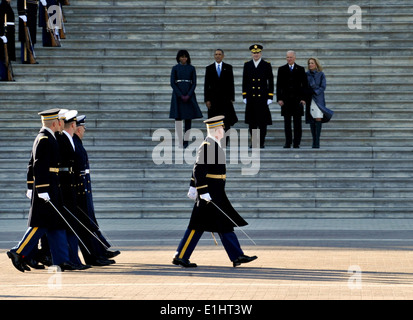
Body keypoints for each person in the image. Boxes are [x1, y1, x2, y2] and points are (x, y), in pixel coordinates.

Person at [173, 116, 257, 268]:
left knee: (224, 223)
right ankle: (181, 256)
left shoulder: (213, 144)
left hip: (216, 192)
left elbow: (197, 169)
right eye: (222, 129)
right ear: (217, 130)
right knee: (197, 226)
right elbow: (198, 169)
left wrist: (193, 186)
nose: (224, 131)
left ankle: (237, 255)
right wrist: (201, 191)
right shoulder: (207, 145)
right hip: (209, 193)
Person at [7, 108, 77, 272]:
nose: (62, 124)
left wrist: (31, 186)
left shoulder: (48, 137)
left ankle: (62, 259)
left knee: (56, 224)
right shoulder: (44, 139)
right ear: (55, 123)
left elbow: (32, 165)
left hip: (52, 186)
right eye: (60, 121)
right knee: (41, 224)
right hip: (47, 188)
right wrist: (39, 189)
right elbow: (38, 165)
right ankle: (17, 251)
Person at [73, 115, 120, 265]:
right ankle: (94, 256)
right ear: (78, 129)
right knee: (86, 225)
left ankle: (101, 251)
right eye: (84, 128)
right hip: (78, 190)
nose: (84, 131)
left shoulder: (76, 142)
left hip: (84, 189)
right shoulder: (73, 143)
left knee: (91, 222)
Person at [242, 44, 274, 148]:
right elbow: (245, 81)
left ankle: (261, 142)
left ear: (261, 53)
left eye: (258, 52)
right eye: (254, 53)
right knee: (252, 122)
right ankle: (254, 142)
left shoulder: (266, 65)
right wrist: (245, 95)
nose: (256, 54)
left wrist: (270, 96)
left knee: (262, 122)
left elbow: (271, 81)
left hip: (262, 97)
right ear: (251, 54)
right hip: (251, 97)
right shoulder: (247, 65)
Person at [169, 49, 202, 148]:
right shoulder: (175, 68)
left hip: (189, 94)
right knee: (178, 118)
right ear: (178, 58)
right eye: (182, 57)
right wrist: (180, 94)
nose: (184, 58)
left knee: (188, 118)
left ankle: (186, 140)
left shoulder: (191, 68)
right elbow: (172, 83)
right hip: (178, 95)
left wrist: (188, 94)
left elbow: (194, 82)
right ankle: (179, 140)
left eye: (185, 57)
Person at [276, 50, 308, 148]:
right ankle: (288, 142)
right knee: (287, 123)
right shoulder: (281, 69)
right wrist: (279, 98)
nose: (289, 59)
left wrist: (304, 99)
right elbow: (278, 85)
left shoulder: (301, 69)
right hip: (286, 100)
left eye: (291, 57)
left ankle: (296, 142)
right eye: (287, 57)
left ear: (294, 57)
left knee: (298, 123)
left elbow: (305, 85)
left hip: (297, 100)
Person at [204, 49, 238, 136]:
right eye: (216, 54)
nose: (218, 56)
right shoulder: (209, 68)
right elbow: (206, 85)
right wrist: (207, 99)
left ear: (223, 56)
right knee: (214, 121)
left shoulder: (228, 67)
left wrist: (232, 98)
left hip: (225, 100)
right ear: (214, 56)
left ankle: (225, 141)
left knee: (226, 121)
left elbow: (231, 84)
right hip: (213, 100)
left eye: (219, 54)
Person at [305, 57, 334, 148]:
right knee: (311, 119)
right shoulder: (306, 74)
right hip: (310, 99)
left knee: (318, 118)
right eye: (309, 63)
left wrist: (315, 92)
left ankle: (317, 141)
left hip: (318, 99)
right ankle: (314, 140)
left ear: (316, 64)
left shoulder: (321, 74)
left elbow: (323, 86)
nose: (310, 65)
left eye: (312, 63)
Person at [0, 0, 16, 80]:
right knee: (3, 56)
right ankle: (4, 75)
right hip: (5, 33)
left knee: (7, 55)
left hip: (8, 34)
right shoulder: (3, 5)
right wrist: (1, 34)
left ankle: (8, 74)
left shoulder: (7, 5)